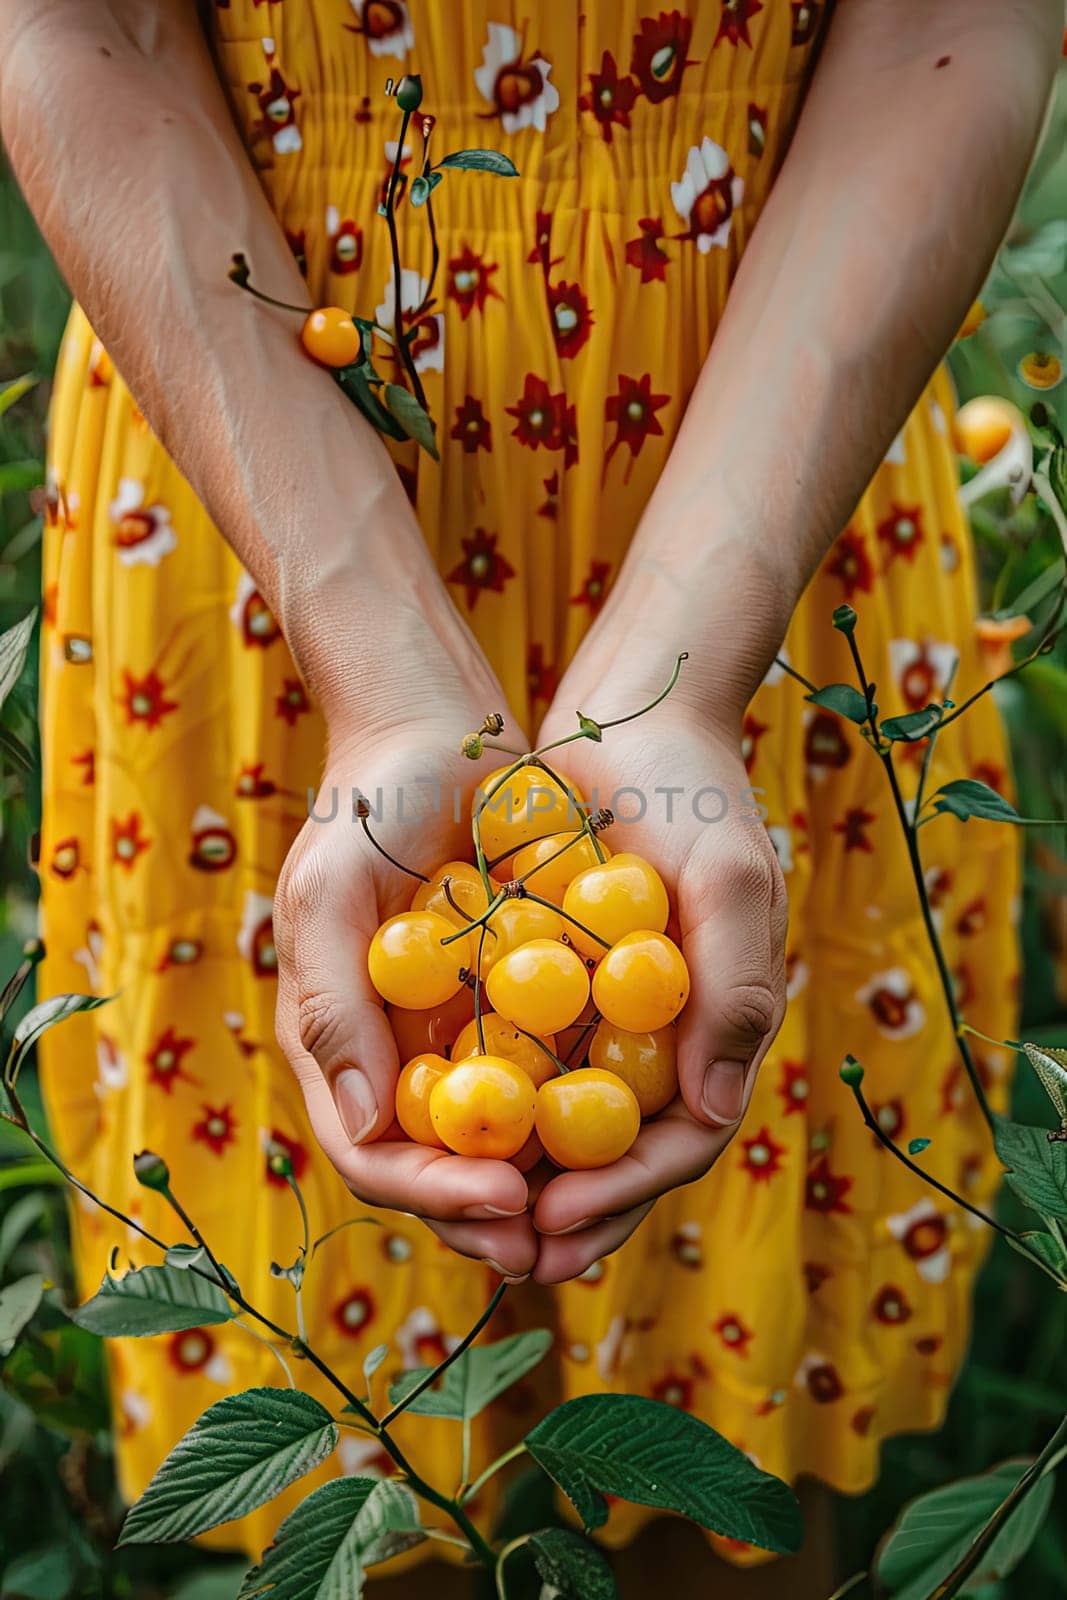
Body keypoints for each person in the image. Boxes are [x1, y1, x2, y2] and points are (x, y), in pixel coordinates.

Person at [0, 0, 1056, 1590]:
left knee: (726, 1499)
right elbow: (90, 34)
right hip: (263, 482)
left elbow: (944, 29)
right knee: (362, 1495)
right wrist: (381, 671)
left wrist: (681, 678)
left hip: (771, 444)